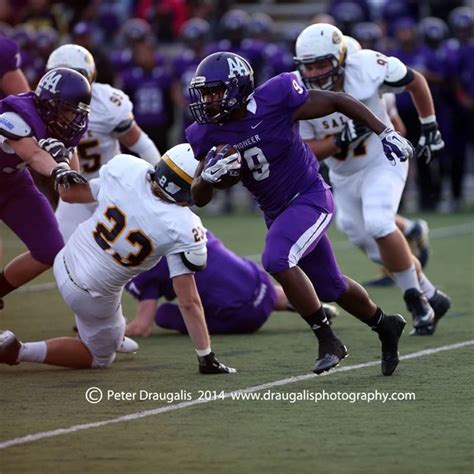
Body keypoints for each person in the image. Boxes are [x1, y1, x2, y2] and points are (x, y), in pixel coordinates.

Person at [186, 51, 410, 376]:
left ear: (237, 88)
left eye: (214, 92)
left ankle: (327, 339)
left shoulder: (275, 97)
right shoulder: (205, 133)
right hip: (276, 212)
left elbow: (337, 100)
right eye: (204, 94)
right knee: (331, 286)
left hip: (309, 197)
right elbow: (199, 197)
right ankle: (385, 325)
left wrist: (383, 131)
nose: (208, 101)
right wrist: (207, 178)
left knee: (276, 259)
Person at [0, 144, 235, 374]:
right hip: (89, 294)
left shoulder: (129, 169)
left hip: (65, 260)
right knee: (99, 357)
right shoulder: (183, 226)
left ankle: (113, 332)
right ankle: (18, 350)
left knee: (112, 288)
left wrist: (65, 164)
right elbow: (188, 302)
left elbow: (70, 195)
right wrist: (205, 355)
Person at [293, 24, 451, 335]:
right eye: (308, 66)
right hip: (344, 175)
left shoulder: (364, 67)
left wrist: (429, 125)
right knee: (365, 237)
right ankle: (432, 295)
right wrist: (341, 139)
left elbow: (414, 80)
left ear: (340, 58)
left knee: (380, 223)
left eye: (321, 64)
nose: (314, 72)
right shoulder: (299, 95)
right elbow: (305, 152)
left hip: (382, 160)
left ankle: (416, 300)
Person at [45, 44, 162, 242]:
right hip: (74, 194)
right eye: (60, 76)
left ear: (89, 76)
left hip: (111, 187)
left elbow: (141, 144)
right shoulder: (43, 107)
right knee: (61, 250)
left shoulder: (107, 103)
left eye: (75, 76)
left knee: (124, 256)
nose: (68, 84)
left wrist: (160, 179)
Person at [125, 230, 340, 337]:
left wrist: (114, 334)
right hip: (262, 286)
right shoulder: (188, 225)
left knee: (163, 313)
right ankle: (312, 307)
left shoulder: (144, 265)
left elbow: (142, 326)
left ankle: (309, 307)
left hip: (244, 317)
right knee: (231, 281)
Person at [0, 67, 91, 310]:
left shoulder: (65, 124)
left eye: (76, 112)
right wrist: (58, 169)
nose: (72, 118)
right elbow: (33, 154)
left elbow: (71, 183)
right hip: (15, 177)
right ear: (48, 104)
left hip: (11, 185)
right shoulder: (16, 114)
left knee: (49, 249)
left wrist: (72, 177)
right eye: (67, 110)